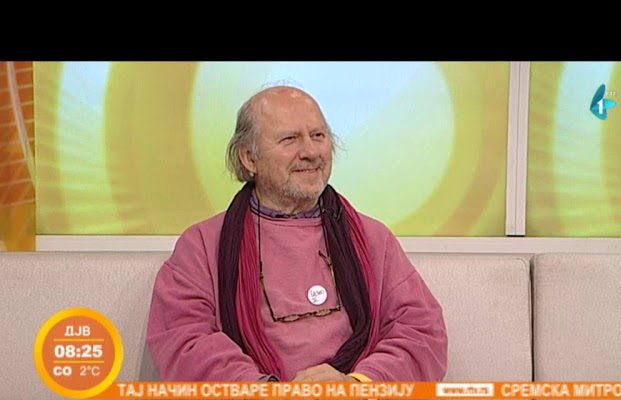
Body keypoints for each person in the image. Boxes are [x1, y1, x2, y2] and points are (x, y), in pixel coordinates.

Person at [146, 86, 448, 382]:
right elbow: (184, 340)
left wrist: (358, 383)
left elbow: (422, 333)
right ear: (249, 158)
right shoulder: (202, 245)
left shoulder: (373, 238)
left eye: (318, 136)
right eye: (290, 139)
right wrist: (264, 390)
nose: (310, 152)